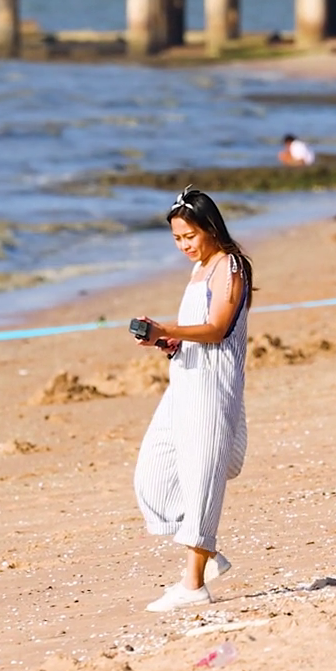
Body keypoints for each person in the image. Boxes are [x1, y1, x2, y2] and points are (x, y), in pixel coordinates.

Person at [131, 188, 253, 612]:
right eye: (177, 239)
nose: (184, 245)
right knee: (152, 475)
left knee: (202, 476)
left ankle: (193, 584)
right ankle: (206, 550)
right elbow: (198, 331)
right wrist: (170, 342)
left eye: (189, 236)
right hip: (183, 379)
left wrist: (168, 328)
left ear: (210, 228)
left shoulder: (230, 266)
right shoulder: (200, 269)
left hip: (212, 385)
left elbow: (217, 329)